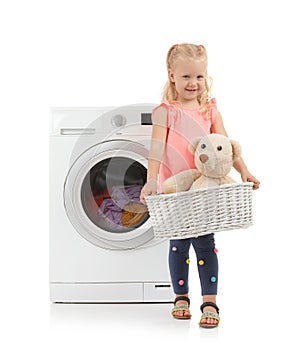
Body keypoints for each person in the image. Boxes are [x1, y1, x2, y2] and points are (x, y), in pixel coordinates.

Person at [140, 43, 260, 327]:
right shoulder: (165, 111)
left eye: (199, 77)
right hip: (174, 188)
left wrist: (245, 172)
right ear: (171, 75)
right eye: (185, 77)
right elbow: (156, 149)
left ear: (206, 76)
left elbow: (229, 148)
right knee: (178, 244)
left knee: (206, 244)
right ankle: (181, 296)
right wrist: (150, 181)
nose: (193, 83)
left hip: (204, 189)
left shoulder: (210, 110)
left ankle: (210, 300)